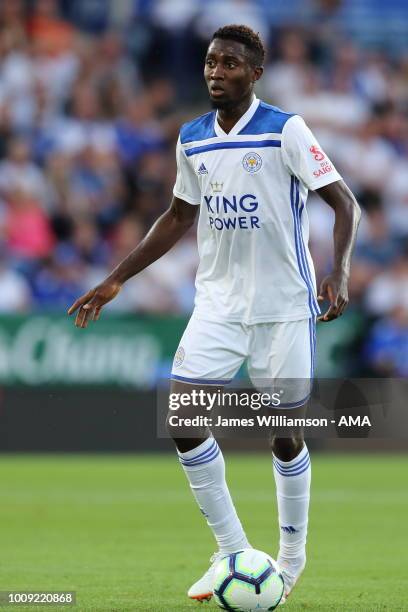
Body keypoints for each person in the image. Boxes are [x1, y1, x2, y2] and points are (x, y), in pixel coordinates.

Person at [68, 24, 361, 605]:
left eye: (229, 64)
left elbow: (343, 201)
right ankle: (232, 552)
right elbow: (178, 217)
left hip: (283, 307)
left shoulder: (286, 130)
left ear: (254, 73)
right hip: (219, 305)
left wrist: (340, 270)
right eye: (209, 62)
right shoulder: (193, 138)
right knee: (183, 417)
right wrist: (116, 277)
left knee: (283, 434)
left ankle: (292, 557)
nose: (215, 72)